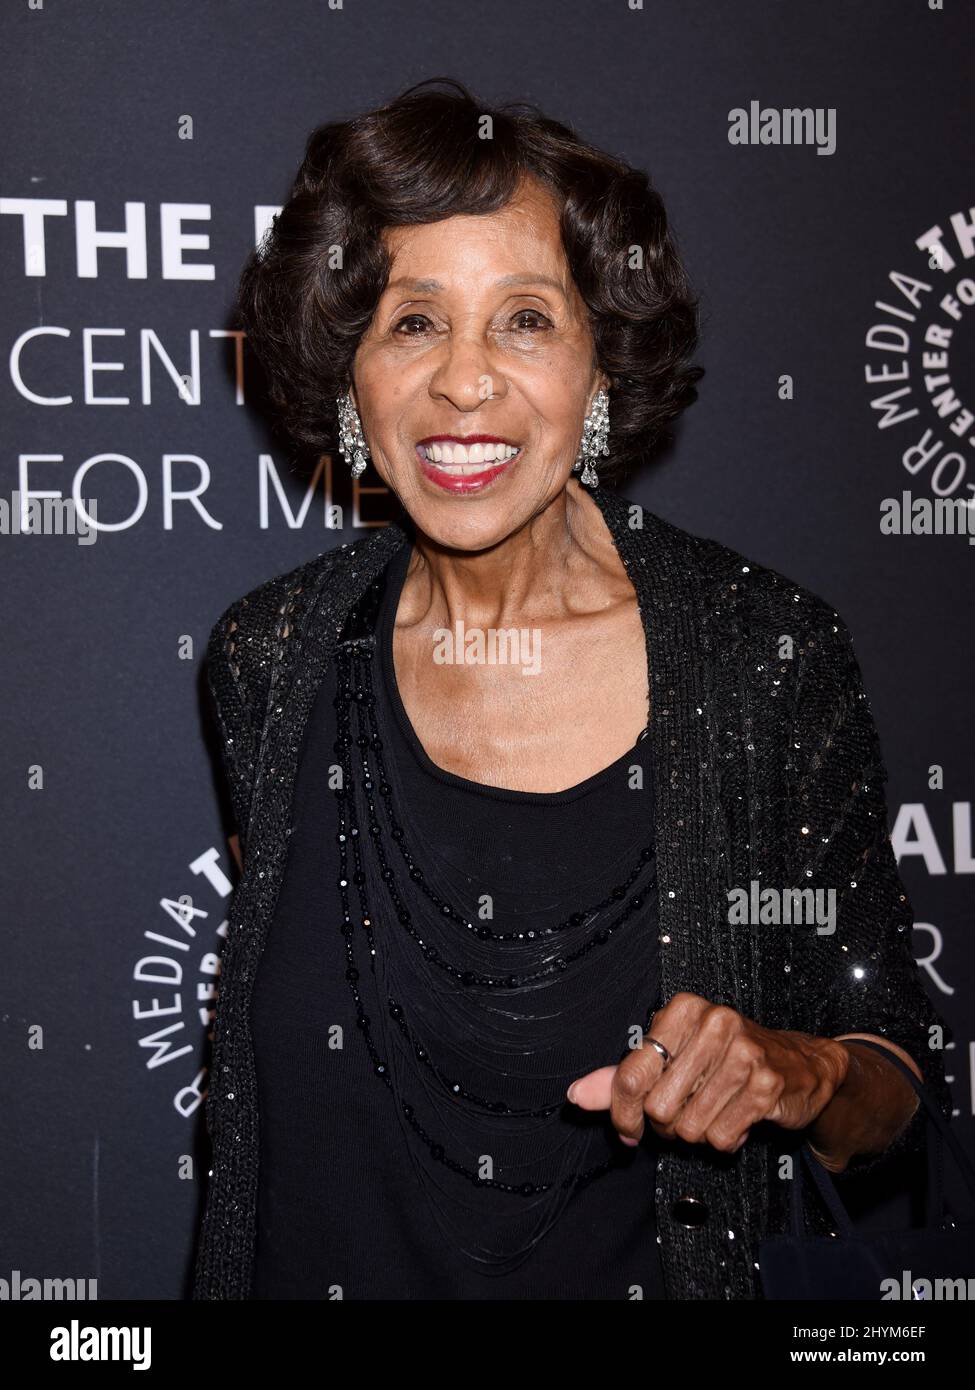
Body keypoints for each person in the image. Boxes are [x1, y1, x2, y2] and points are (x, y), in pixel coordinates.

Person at [192, 78, 952, 1301]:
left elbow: (894, 1092)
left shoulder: (766, 655)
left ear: (602, 368)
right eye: (412, 321)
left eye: (527, 321)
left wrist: (798, 1069)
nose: (466, 382)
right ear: (350, 372)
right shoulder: (268, 658)